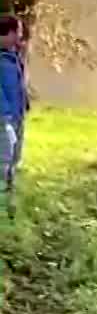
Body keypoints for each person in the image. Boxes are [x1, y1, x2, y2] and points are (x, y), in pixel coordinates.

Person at [1, 16, 29, 214]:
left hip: (17, 116)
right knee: (4, 156)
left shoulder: (13, 56)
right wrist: (5, 116)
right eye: (18, 32)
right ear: (9, 33)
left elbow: (20, 84)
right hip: (4, 117)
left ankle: (9, 198)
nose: (20, 36)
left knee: (15, 158)